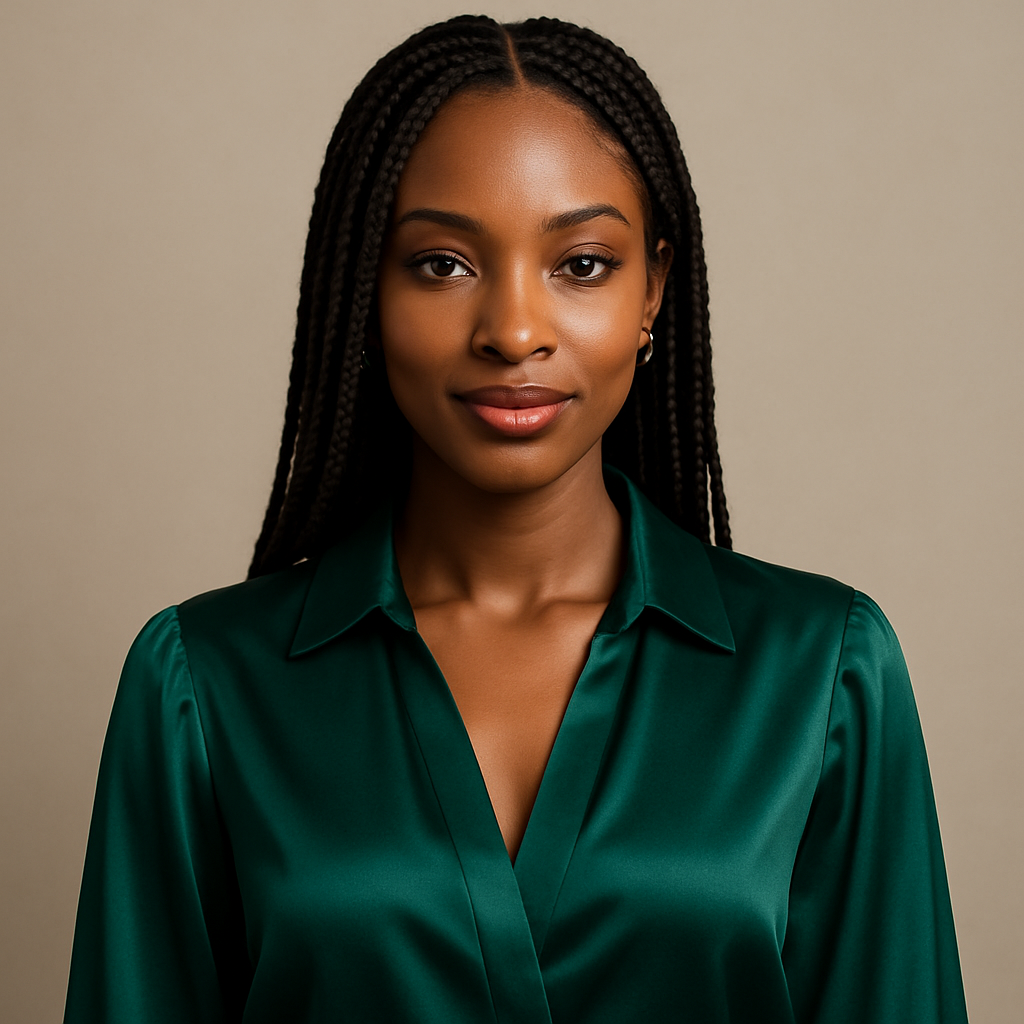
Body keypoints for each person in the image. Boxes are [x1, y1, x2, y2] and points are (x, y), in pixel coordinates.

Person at [64, 15, 969, 1024]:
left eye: (580, 264)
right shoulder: (202, 686)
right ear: (365, 288)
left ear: (652, 290)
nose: (513, 331)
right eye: (441, 264)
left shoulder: (821, 674)